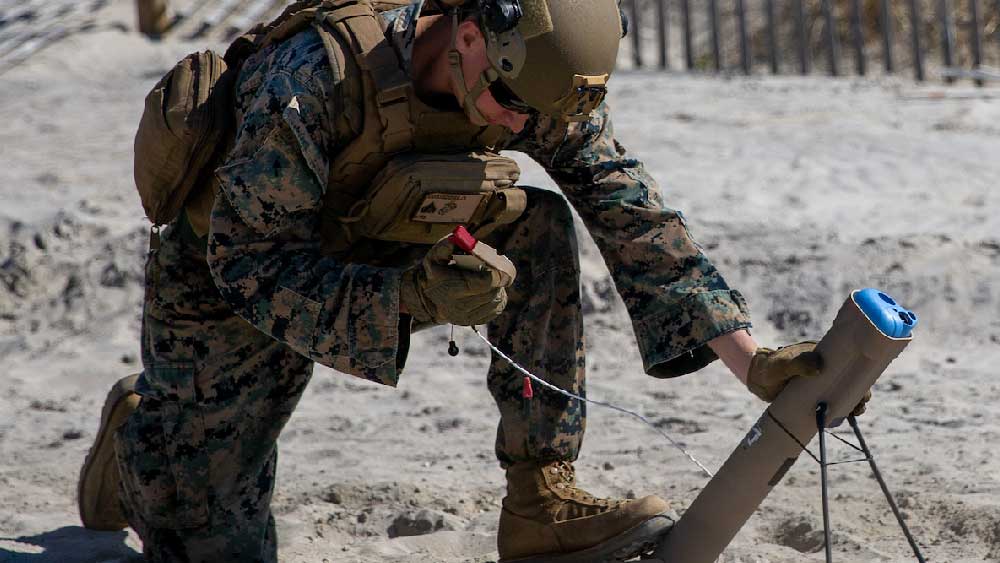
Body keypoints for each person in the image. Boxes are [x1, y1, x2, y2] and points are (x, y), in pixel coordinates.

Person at [78, 0, 865, 561]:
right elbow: (250, 264)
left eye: (535, 118)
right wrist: (411, 299)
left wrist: (752, 360)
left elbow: (629, 209)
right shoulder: (312, 77)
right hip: (229, 277)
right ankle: (141, 433)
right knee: (209, 533)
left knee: (538, 225)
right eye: (509, 106)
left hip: (382, 231)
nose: (520, 128)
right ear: (463, 37)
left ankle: (540, 499)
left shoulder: (528, 77)